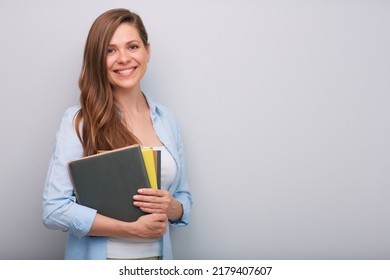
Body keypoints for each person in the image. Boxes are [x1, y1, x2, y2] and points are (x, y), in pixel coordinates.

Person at [42, 8, 192, 260]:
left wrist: (172, 207)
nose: (123, 58)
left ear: (147, 51)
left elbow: (183, 197)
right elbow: (53, 209)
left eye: (132, 47)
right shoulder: (79, 121)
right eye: (110, 50)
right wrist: (129, 229)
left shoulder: (168, 119)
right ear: (97, 59)